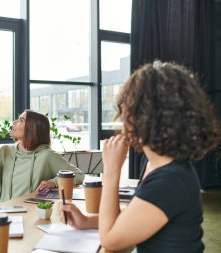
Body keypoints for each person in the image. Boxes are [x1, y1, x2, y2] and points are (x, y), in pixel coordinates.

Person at [60, 61, 219, 252]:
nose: (122, 116)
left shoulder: (170, 180)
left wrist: (111, 171)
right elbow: (133, 218)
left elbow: (110, 240)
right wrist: (86, 221)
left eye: (126, 108)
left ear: (145, 116)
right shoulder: (156, 164)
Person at [0, 110, 85, 202]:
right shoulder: (5, 151)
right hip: (3, 212)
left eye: (21, 120)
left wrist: (53, 182)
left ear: (32, 128)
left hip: (29, 212)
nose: (14, 122)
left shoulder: (47, 156)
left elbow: (79, 175)